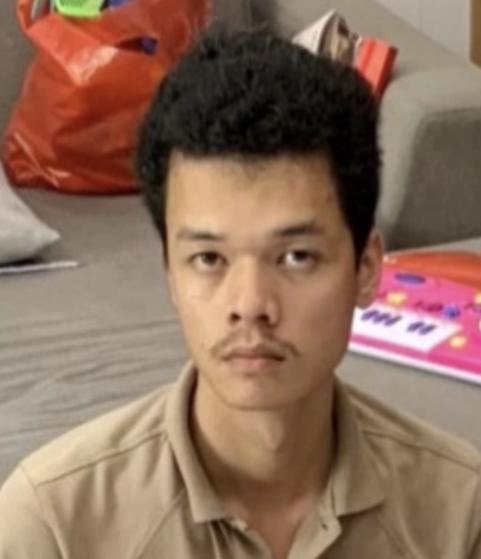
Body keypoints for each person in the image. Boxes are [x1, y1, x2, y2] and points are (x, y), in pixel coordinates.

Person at [1, 28, 480, 559]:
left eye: (296, 257)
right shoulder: (53, 528)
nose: (250, 304)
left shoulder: (461, 515)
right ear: (170, 274)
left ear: (366, 269)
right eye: (209, 259)